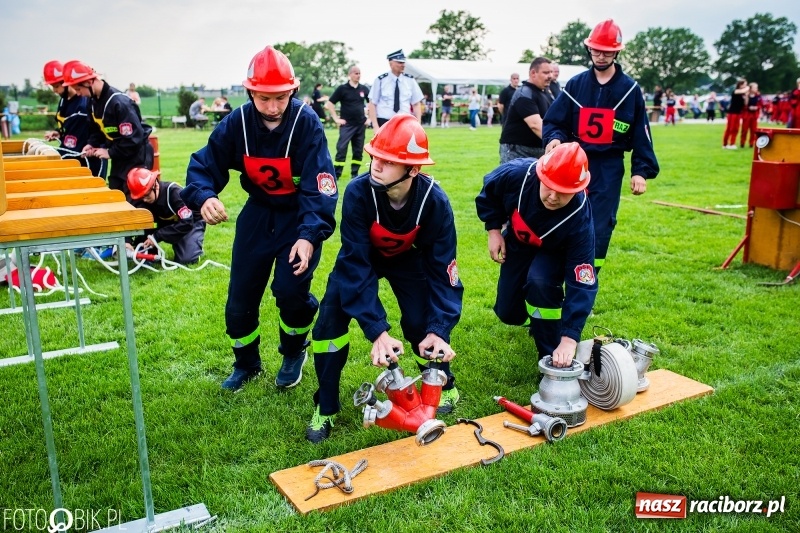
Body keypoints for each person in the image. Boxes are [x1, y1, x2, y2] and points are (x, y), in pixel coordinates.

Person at [180, 45, 338, 392]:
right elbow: (203, 166)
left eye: (280, 97)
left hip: (298, 218)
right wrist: (204, 196)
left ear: (292, 91)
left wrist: (309, 236)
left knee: (290, 292)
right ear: (250, 92)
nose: (272, 107)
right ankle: (247, 364)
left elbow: (320, 186)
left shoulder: (306, 123)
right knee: (240, 298)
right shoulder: (236, 122)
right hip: (258, 215)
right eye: (264, 98)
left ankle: (294, 352)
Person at [305, 113, 463, 442]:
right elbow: (355, 263)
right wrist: (376, 330)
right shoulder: (359, 192)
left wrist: (440, 329)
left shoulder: (436, 203)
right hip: (362, 259)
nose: (376, 165)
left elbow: (443, 271)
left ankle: (443, 384)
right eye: (376, 156)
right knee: (328, 324)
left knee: (422, 321)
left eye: (388, 161)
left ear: (413, 169)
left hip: (409, 261)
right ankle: (327, 407)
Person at [543, 19, 659, 277]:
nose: (601, 56)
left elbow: (642, 133)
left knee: (600, 224)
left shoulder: (629, 89)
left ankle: (586, 280)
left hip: (608, 167)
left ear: (617, 52)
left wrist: (640, 170)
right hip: (574, 161)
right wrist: (553, 138)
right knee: (562, 215)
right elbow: (554, 120)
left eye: (607, 51)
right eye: (596, 50)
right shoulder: (575, 85)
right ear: (589, 50)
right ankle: (555, 276)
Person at [475, 142, 596, 368]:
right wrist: (493, 230)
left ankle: (551, 358)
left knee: (539, 282)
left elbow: (582, 280)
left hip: (554, 253)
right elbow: (488, 193)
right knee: (508, 313)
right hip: (520, 244)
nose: (553, 196)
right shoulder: (517, 174)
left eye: (564, 192)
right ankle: (537, 320)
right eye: (549, 186)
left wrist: (570, 338)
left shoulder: (580, 218)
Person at [62, 60, 154, 197]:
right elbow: (96, 129)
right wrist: (91, 144)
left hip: (137, 155)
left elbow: (133, 139)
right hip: (120, 156)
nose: (78, 94)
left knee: (133, 199)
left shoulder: (119, 103)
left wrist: (109, 152)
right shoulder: (91, 102)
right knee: (115, 193)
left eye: (78, 89)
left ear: (89, 82)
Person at [126, 168, 206, 265]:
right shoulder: (141, 197)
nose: (144, 200)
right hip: (166, 223)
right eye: (141, 197)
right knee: (142, 249)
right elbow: (130, 219)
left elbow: (187, 222)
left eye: (147, 195)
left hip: (190, 223)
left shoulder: (174, 193)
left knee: (186, 259)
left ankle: (194, 245)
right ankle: (151, 254)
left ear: (155, 185)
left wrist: (157, 236)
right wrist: (127, 241)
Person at [41, 60, 105, 177]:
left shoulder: (83, 103)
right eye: (52, 86)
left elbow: (90, 132)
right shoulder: (63, 101)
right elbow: (68, 126)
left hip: (86, 160)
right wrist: (59, 132)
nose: (55, 90)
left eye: (56, 86)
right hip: (71, 156)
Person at [499, 57, 554, 163]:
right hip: (517, 153)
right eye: (546, 72)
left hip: (537, 152)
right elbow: (536, 125)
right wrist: (557, 142)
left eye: (551, 72)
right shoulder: (524, 94)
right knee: (515, 180)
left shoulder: (546, 93)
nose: (550, 76)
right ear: (533, 73)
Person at [325, 65, 370, 179]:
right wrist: (336, 118)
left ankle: (354, 174)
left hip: (360, 125)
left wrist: (369, 118)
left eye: (359, 73)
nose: (358, 75)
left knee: (358, 151)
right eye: (355, 73)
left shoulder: (364, 89)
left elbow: (372, 104)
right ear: (349, 74)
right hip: (347, 125)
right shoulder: (342, 88)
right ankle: (337, 174)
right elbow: (329, 104)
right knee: (341, 149)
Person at [368, 49, 424, 128]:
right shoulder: (381, 80)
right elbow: (372, 104)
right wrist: (375, 126)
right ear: (391, 63)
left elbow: (416, 103)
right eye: (399, 62)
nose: (403, 65)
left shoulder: (410, 80)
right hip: (384, 122)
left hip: (404, 122)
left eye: (404, 62)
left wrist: (418, 124)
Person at [722, 79, 748, 149]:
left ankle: (732, 143)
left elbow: (745, 104)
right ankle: (725, 144)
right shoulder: (735, 91)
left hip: (738, 113)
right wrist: (749, 87)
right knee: (730, 128)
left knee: (736, 129)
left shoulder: (743, 94)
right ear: (740, 85)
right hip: (732, 113)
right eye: (745, 84)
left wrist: (746, 97)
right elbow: (743, 90)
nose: (746, 86)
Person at [740, 82, 761, 148]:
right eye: (755, 87)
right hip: (747, 114)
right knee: (744, 130)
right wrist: (748, 107)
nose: (756, 89)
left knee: (753, 130)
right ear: (751, 88)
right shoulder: (746, 95)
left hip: (754, 115)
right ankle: (742, 143)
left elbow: (760, 104)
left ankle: (751, 143)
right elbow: (743, 105)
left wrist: (757, 107)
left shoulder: (758, 96)